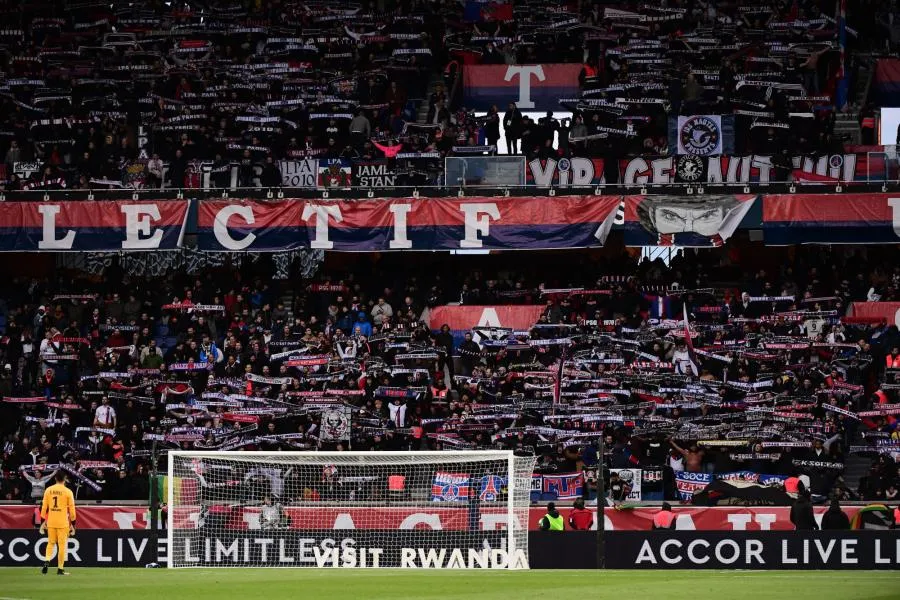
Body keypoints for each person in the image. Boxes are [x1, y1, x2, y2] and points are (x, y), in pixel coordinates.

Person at [40, 470, 76, 575]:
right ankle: (60, 569)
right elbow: (72, 510)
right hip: (62, 522)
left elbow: (44, 507)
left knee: (50, 543)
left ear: (55, 479)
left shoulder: (48, 490)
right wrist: (73, 524)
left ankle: (47, 561)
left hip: (51, 521)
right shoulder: (68, 492)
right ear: (64, 479)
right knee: (62, 545)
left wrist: (43, 521)